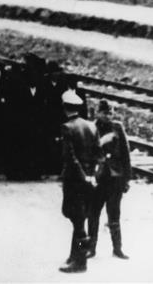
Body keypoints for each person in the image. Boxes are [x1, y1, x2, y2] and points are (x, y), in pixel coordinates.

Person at [58, 90, 102, 273]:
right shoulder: (91, 126)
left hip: (74, 180)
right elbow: (99, 155)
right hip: (90, 179)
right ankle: (74, 254)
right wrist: (92, 175)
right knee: (80, 217)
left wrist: (82, 176)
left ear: (64, 108)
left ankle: (80, 261)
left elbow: (70, 157)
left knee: (75, 218)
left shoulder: (67, 127)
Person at [87, 100, 131, 259]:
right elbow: (86, 154)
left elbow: (126, 154)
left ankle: (117, 248)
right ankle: (90, 248)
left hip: (115, 178)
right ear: (97, 112)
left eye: (110, 113)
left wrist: (127, 179)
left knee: (114, 214)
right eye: (105, 112)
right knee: (93, 214)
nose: (108, 116)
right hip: (98, 178)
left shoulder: (118, 127)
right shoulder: (91, 128)